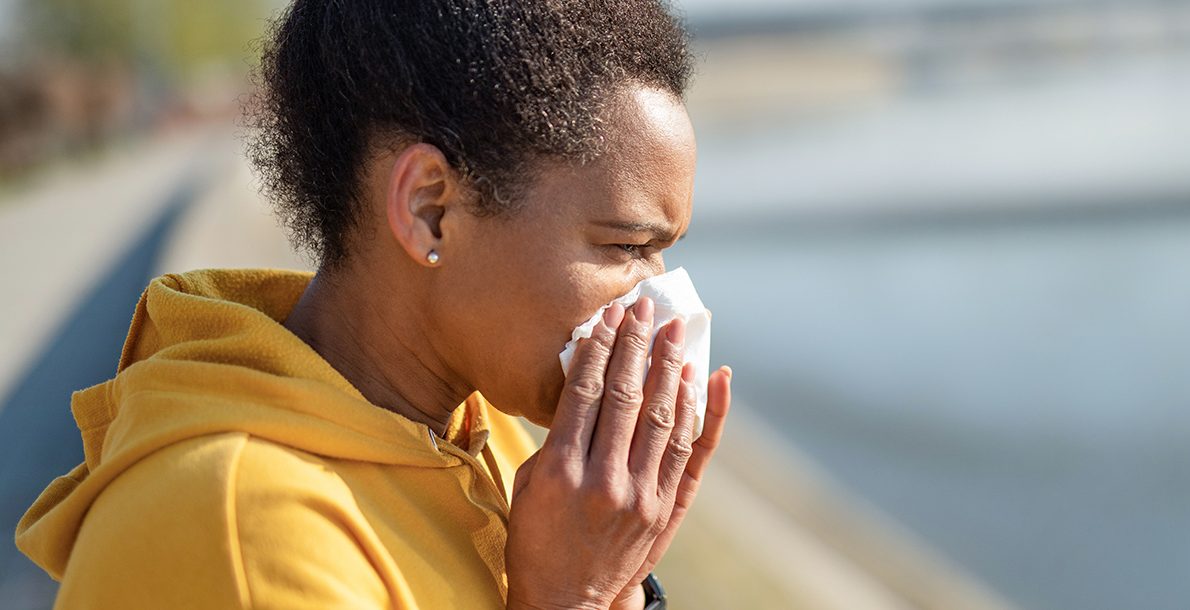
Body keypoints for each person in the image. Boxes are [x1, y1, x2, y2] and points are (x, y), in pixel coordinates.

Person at [15, 1, 734, 608]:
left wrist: (623, 578)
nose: (657, 294)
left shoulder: (494, 437)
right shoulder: (241, 528)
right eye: (626, 247)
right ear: (430, 210)